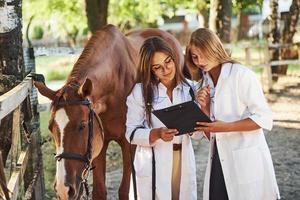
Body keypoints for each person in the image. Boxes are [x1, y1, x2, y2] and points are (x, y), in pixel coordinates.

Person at [185, 28, 280, 200]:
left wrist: (226, 127)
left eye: (203, 54)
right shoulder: (203, 83)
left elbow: (265, 118)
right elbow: (211, 134)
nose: (200, 61)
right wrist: (204, 109)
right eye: (194, 56)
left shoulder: (241, 75)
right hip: (218, 161)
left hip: (246, 160)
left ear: (214, 48)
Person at [125, 37, 199, 200]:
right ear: (149, 70)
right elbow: (130, 133)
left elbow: (199, 133)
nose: (166, 70)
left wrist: (199, 112)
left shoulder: (190, 89)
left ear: (174, 58)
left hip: (182, 159)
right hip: (153, 162)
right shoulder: (140, 92)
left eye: (168, 62)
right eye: (158, 67)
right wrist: (156, 134)